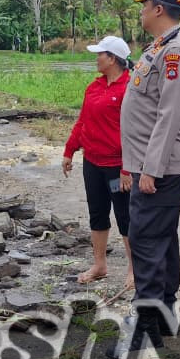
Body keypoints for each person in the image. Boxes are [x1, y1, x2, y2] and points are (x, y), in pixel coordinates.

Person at [113, 0, 180, 359]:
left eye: (144, 6)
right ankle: (164, 314)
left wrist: (151, 169)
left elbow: (170, 115)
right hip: (152, 164)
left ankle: (145, 327)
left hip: (161, 167)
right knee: (161, 237)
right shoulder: (159, 48)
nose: (141, 12)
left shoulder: (176, 52)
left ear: (159, 9)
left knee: (146, 240)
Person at [62, 35, 135, 287]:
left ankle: (134, 269)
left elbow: (134, 133)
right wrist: (70, 150)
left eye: (100, 55)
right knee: (97, 212)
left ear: (112, 59)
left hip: (117, 168)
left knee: (125, 215)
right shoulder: (94, 87)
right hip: (93, 163)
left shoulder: (129, 89)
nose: (96, 59)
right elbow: (83, 121)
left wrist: (127, 168)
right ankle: (100, 264)